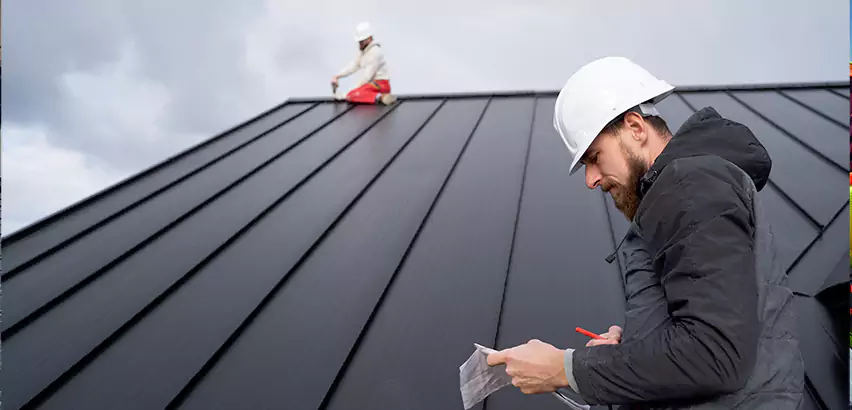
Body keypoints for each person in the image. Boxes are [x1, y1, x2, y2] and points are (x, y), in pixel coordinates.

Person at [485, 56, 805, 409]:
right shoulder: (684, 193)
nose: (591, 180)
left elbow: (715, 354)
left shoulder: (689, 185)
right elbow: (703, 336)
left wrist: (566, 369)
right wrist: (638, 345)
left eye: (594, 157)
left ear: (636, 128)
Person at [331, 22, 396, 105]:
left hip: (381, 85)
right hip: (372, 85)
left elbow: (367, 77)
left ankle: (381, 97)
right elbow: (353, 66)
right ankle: (380, 97)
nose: (359, 44)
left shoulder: (375, 52)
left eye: (361, 41)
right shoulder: (364, 52)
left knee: (352, 95)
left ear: (369, 38)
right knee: (353, 94)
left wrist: (349, 93)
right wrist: (337, 76)